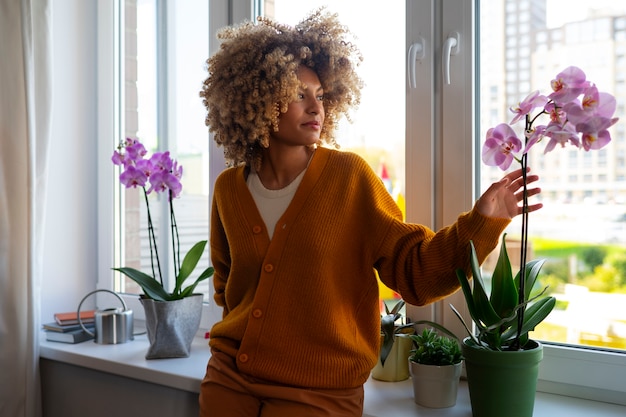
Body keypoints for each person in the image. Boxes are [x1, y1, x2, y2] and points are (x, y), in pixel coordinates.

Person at [198, 9, 541, 417]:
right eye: (298, 94)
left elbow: (416, 271)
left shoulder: (350, 178)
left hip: (319, 391)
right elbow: (227, 286)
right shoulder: (228, 189)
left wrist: (484, 220)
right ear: (256, 98)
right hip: (228, 379)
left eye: (321, 95)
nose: (315, 108)